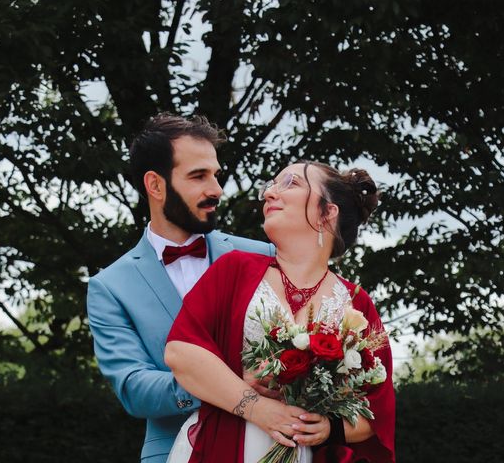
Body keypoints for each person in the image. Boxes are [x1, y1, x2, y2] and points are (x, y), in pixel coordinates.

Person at [165, 162, 395, 463]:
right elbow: (181, 352)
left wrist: (329, 428)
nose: (270, 193)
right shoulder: (234, 269)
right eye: (271, 185)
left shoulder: (356, 303)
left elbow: (378, 411)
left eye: (290, 183)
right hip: (220, 447)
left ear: (327, 212)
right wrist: (256, 408)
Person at [86, 113, 275, 463]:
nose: (216, 189)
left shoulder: (262, 255)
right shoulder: (109, 287)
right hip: (176, 453)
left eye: (215, 175)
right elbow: (134, 388)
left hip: (273, 447)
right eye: (198, 176)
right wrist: (227, 386)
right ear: (155, 186)